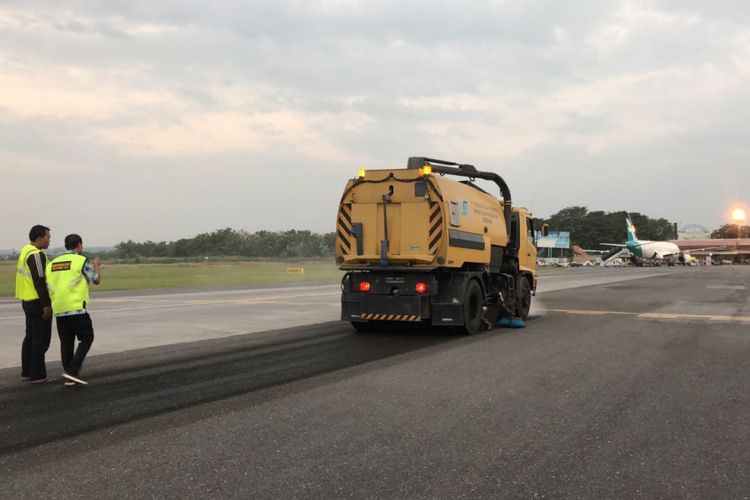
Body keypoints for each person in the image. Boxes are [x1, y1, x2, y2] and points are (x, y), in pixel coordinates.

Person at [46, 234, 101, 386]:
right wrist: (96, 266)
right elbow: (96, 279)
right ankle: (72, 370)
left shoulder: (52, 264)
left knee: (66, 342)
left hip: (59, 308)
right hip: (76, 307)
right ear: (79, 246)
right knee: (87, 337)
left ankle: (70, 376)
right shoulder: (81, 260)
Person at [15, 225, 54, 383]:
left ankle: (27, 371)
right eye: (47, 237)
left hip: (27, 300)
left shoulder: (25, 251)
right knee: (40, 338)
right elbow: (40, 281)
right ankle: (38, 374)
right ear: (39, 239)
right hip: (38, 302)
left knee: (30, 336)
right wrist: (47, 305)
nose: (49, 240)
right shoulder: (37, 255)